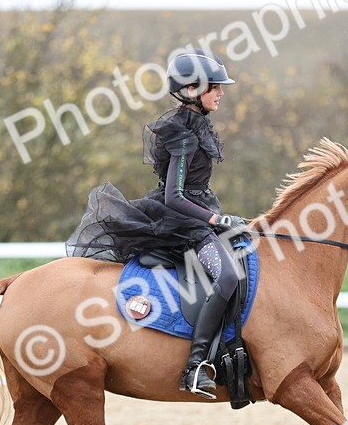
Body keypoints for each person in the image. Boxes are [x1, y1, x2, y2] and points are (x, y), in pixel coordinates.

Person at [66, 49, 247, 399]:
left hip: (197, 214)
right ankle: (195, 366)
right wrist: (215, 219)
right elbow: (174, 197)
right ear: (192, 90)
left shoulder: (198, 125)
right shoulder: (183, 135)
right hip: (183, 222)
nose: (221, 92)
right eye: (214, 87)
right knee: (227, 276)